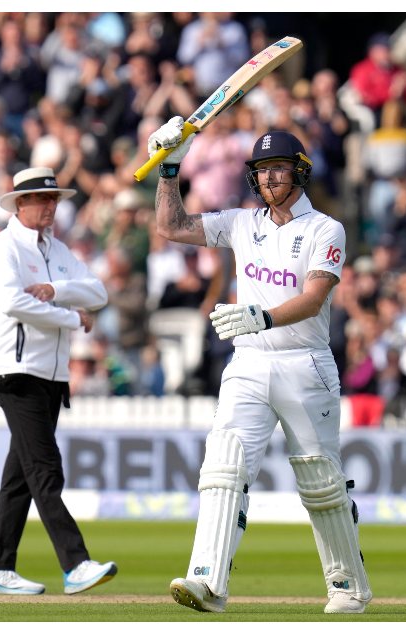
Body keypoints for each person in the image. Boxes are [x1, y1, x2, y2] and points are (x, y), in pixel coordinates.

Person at [148, 119, 371, 614]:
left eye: (279, 168)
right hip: (248, 362)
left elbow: (314, 298)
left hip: (304, 363)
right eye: (263, 169)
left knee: (320, 481)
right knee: (223, 466)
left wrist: (262, 316)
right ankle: (207, 582)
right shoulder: (241, 222)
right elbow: (171, 227)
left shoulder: (325, 229)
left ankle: (348, 587)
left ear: (300, 172)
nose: (269, 177)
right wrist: (169, 169)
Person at [0, 166, 117, 595]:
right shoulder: (3, 249)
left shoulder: (58, 251)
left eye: (54, 199)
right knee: (44, 469)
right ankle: (75, 564)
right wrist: (72, 318)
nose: (50, 206)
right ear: (20, 204)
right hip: (15, 369)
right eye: (42, 198)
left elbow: (98, 292)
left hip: (51, 374)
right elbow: (13, 302)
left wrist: (56, 291)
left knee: (21, 476)